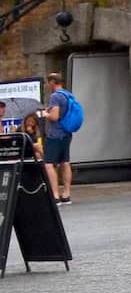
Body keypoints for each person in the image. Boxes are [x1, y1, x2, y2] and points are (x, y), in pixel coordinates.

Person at [40, 72, 77, 205]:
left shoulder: (55, 96)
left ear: (52, 82)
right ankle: (66, 195)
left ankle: (55, 196)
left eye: (48, 82)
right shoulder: (68, 94)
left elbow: (54, 117)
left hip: (55, 134)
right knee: (65, 162)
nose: (47, 85)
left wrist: (45, 114)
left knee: (49, 164)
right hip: (67, 133)